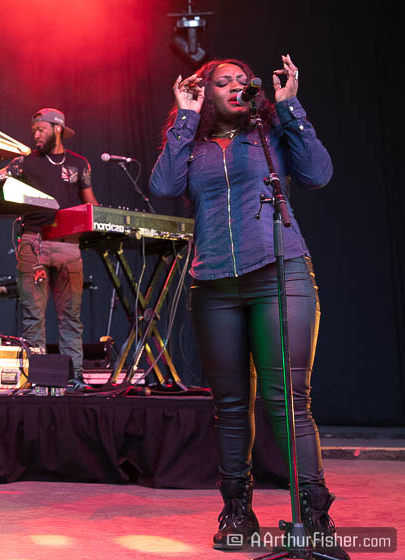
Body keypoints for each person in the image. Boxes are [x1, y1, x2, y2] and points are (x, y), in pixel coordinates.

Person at [149, 55, 348, 559]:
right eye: (223, 81)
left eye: (242, 80)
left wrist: (291, 107)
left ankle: (313, 516)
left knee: (287, 400)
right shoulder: (193, 145)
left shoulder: (269, 133)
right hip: (213, 283)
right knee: (231, 407)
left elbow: (318, 174)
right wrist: (185, 116)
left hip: (279, 273)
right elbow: (164, 187)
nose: (236, 86)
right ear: (206, 92)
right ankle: (238, 513)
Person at [0, 108, 98, 389]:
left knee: (71, 317)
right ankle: (37, 378)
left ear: (58, 128)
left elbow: (92, 205)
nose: (36, 135)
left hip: (69, 246)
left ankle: (74, 376)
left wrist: (102, 222)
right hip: (34, 243)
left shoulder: (79, 164)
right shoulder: (24, 162)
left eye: (41, 129)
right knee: (33, 316)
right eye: (34, 131)